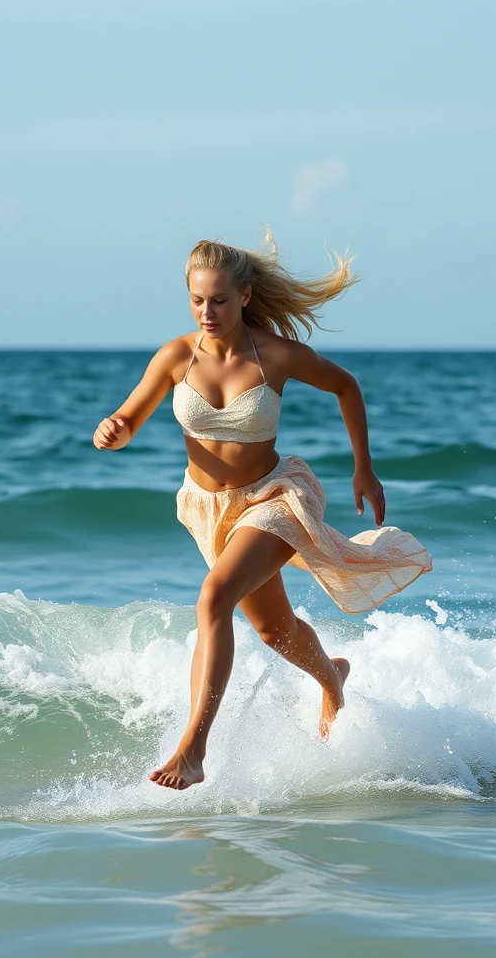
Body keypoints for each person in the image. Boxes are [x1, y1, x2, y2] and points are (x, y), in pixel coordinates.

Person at [93, 233, 431, 790]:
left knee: (213, 598)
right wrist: (113, 431)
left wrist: (363, 467)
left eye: (219, 301)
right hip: (209, 509)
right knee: (273, 631)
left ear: (246, 297)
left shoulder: (274, 355)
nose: (207, 311)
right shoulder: (176, 357)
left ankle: (193, 750)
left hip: (275, 496)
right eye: (197, 300)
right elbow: (129, 418)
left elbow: (346, 386)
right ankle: (332, 678)